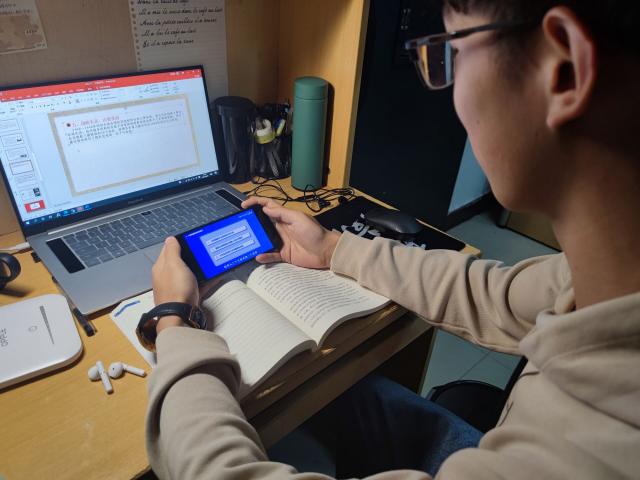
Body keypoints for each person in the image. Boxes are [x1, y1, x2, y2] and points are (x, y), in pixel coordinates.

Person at [145, 0, 640, 478]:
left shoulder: (588, 452)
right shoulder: (606, 278)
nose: (451, 94)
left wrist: (173, 321)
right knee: (340, 395)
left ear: (563, 70)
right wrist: (334, 249)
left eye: (454, 53)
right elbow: (500, 296)